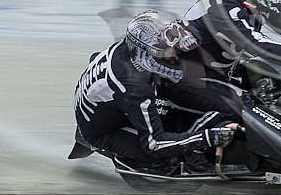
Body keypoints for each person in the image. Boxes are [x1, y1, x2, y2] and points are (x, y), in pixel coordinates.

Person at [72, 10, 238, 172]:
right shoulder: (135, 89)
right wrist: (206, 137)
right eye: (168, 53)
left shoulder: (130, 48)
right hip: (105, 132)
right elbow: (154, 144)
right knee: (169, 158)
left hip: (106, 100)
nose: (175, 58)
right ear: (144, 53)